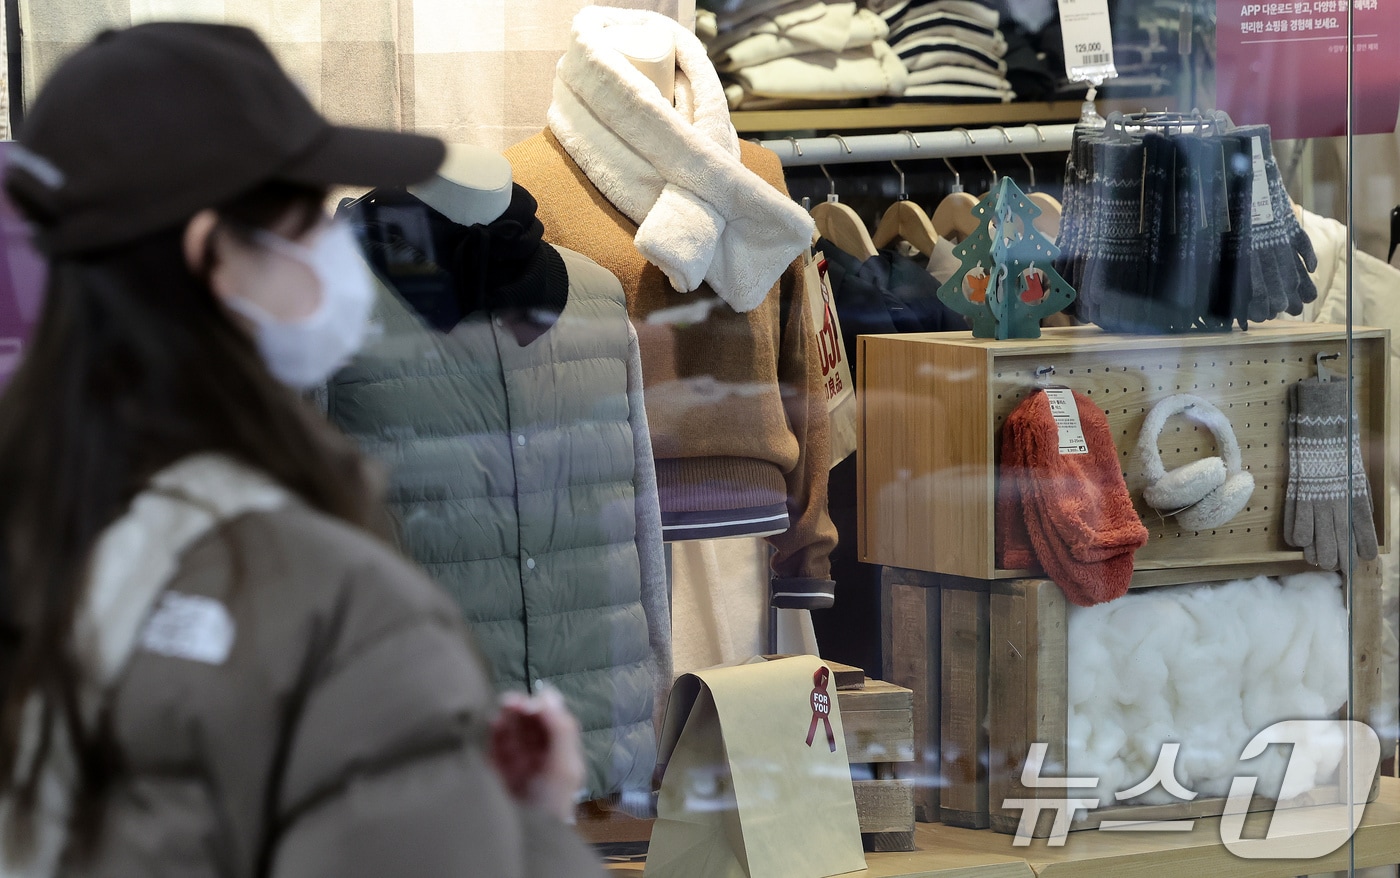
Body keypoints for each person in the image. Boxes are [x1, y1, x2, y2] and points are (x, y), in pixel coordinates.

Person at [0, 22, 604, 877]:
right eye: (300, 224)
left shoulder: (41, 527)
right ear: (212, 253)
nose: (333, 250)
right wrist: (531, 830)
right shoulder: (336, 609)